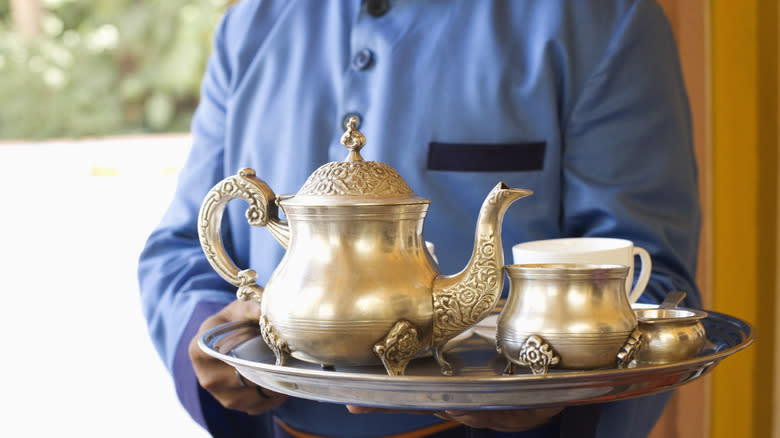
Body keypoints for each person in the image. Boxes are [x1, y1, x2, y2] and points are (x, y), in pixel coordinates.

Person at [138, 0, 702, 437]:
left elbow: (649, 280)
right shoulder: (253, 27)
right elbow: (182, 250)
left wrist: (564, 386)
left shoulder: (600, 20)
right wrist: (210, 333)